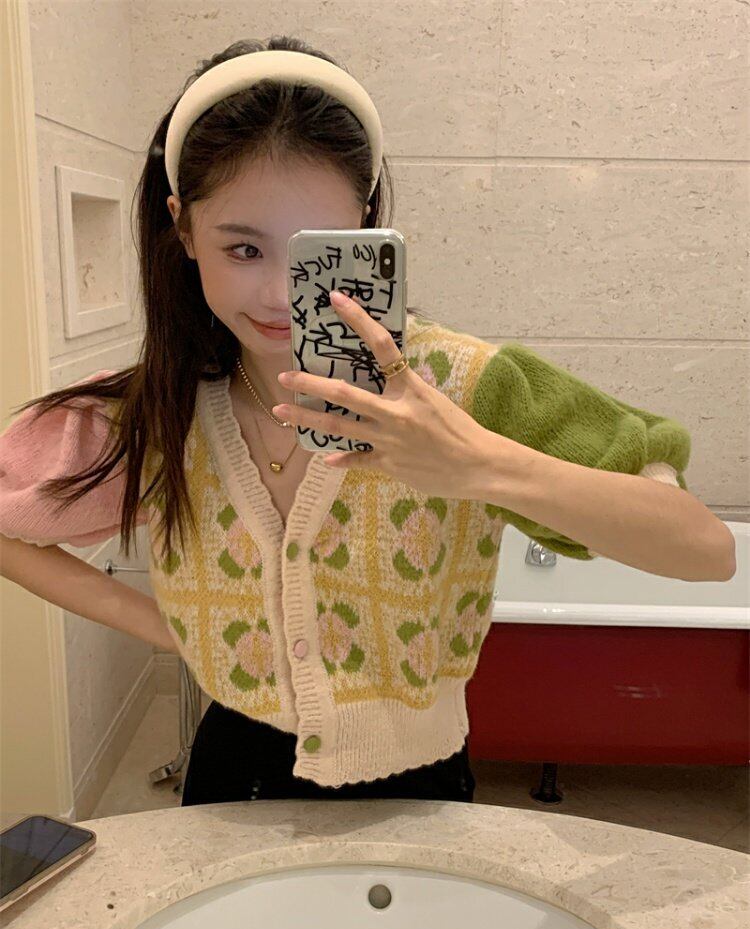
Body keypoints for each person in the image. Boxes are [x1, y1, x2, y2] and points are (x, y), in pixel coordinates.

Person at [0, 37, 690, 809]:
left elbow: (698, 546)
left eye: (314, 250)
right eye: (243, 248)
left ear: (362, 226)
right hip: (229, 777)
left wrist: (480, 466)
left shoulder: (463, 384)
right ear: (184, 229)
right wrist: (178, 630)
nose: (277, 294)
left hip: (421, 785)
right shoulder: (161, 408)